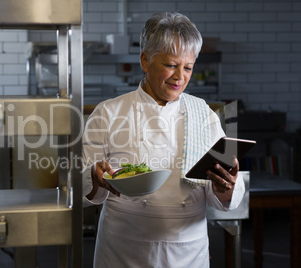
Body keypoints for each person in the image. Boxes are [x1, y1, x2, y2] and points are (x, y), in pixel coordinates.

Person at [82, 12, 245, 268]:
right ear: (145, 60)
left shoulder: (204, 114)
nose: (180, 76)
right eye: (170, 65)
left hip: (188, 252)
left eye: (188, 67)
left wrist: (225, 188)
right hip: (124, 249)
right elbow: (83, 187)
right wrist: (94, 176)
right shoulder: (108, 112)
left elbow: (225, 192)